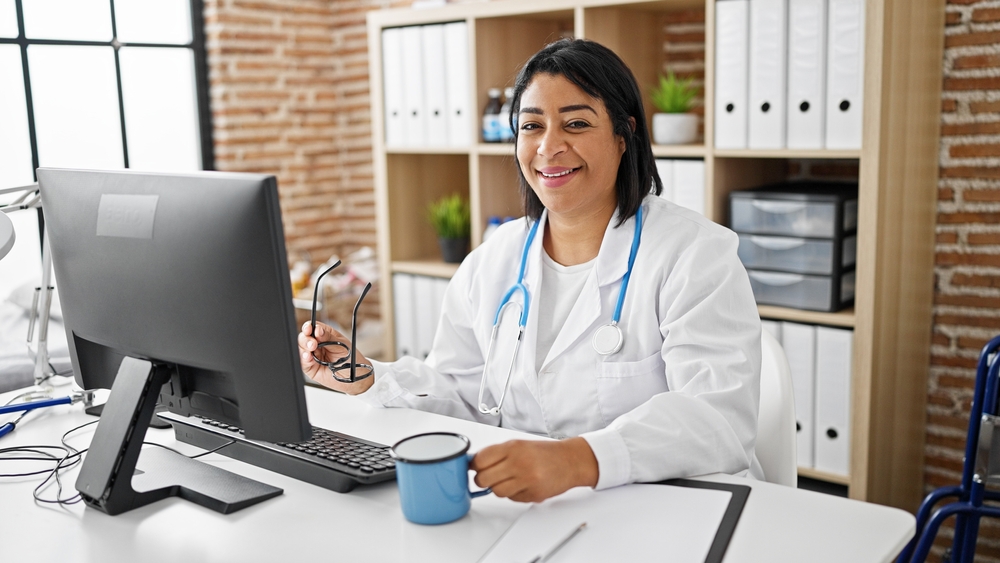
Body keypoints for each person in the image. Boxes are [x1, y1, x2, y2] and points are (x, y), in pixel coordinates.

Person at [299, 38, 763, 503]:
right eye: (531, 126)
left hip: (670, 507)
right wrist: (369, 376)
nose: (549, 147)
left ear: (624, 136)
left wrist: (581, 459)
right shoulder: (492, 262)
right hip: (536, 508)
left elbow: (717, 419)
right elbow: (461, 397)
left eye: (576, 123)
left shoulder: (696, 255)